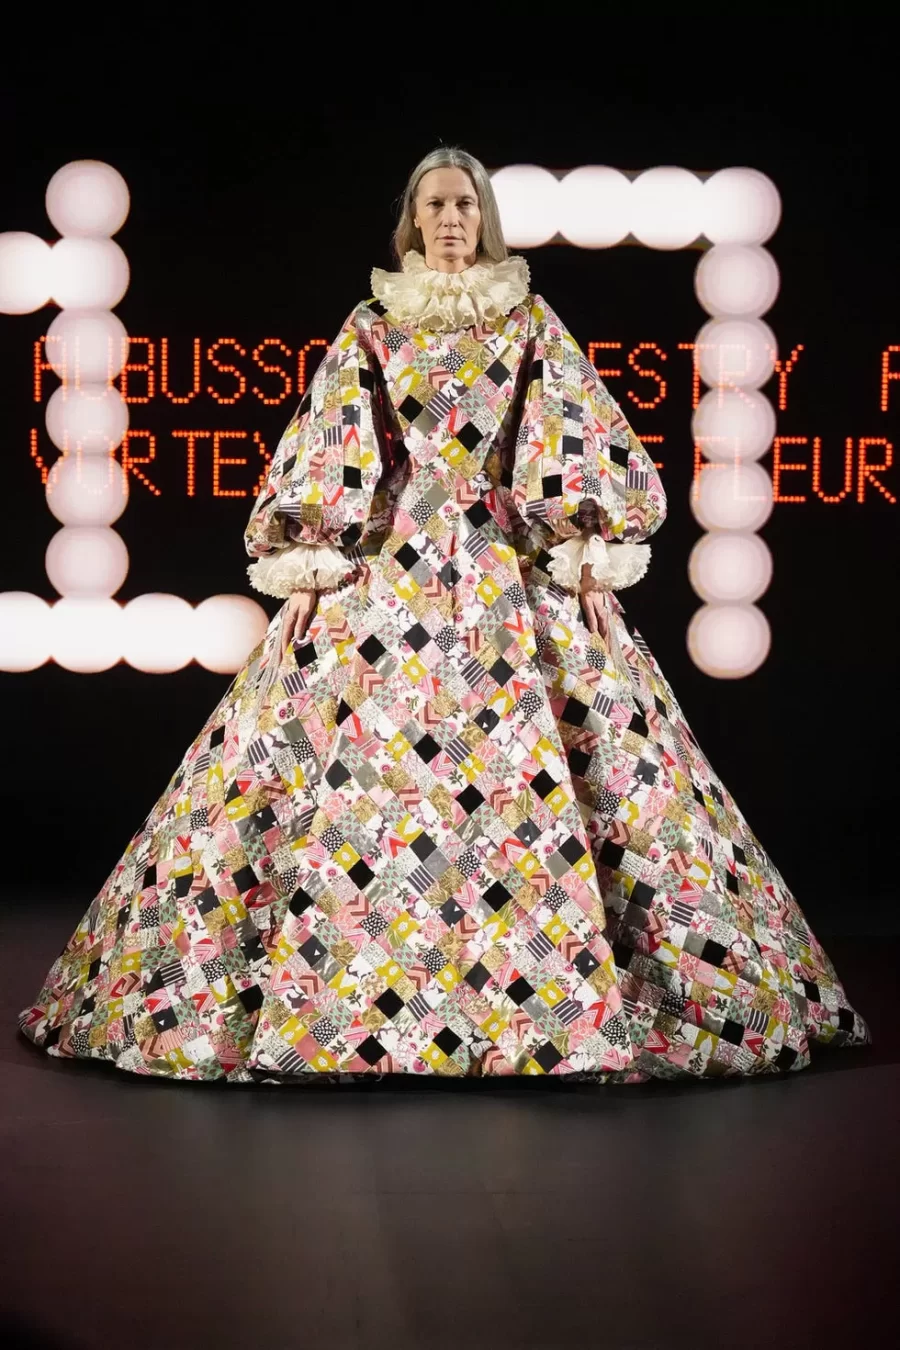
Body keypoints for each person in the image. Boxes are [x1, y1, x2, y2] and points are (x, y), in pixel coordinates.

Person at [20, 147, 868, 1083]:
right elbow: (338, 439)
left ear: (484, 217)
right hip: (390, 576)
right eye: (436, 203)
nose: (452, 218)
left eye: (466, 202)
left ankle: (570, 1004)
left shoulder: (528, 319)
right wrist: (311, 558)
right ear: (413, 221)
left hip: (510, 577)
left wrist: (588, 545)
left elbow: (568, 430)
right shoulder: (374, 325)